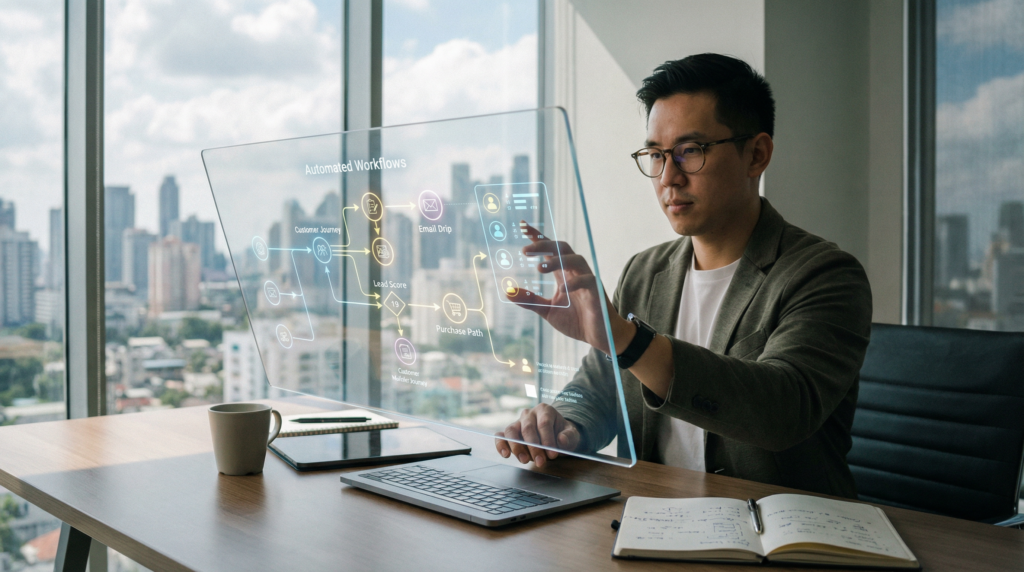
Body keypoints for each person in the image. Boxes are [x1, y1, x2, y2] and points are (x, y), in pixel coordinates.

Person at [494, 53, 872, 498]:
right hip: (654, 525)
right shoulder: (645, 271)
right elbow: (599, 390)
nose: (668, 178)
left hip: (781, 542)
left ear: (756, 154)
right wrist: (563, 426)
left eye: (690, 151)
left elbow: (782, 411)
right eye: (655, 154)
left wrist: (627, 340)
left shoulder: (825, 275)